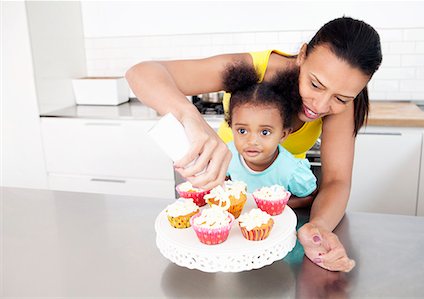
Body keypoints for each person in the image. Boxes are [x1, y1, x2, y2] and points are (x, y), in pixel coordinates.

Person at [126, 16, 383, 272]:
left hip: (276, 221)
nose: (321, 105)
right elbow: (141, 73)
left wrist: (319, 226)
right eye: (315, 84)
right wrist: (190, 117)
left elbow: (337, 181)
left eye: (341, 98)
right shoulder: (256, 69)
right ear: (303, 55)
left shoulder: (341, 107)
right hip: (217, 205)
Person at [222, 61, 317, 205]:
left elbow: (310, 197)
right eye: (242, 131)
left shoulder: (291, 171)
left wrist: (274, 204)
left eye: (265, 132)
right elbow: (224, 180)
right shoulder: (226, 155)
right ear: (231, 127)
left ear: (283, 135)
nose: (252, 141)